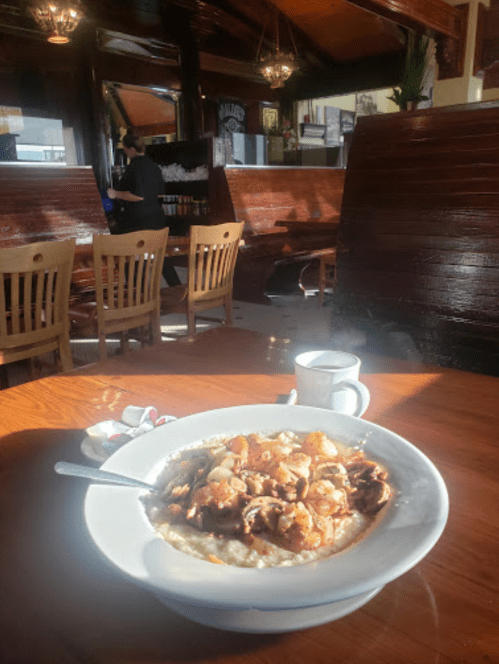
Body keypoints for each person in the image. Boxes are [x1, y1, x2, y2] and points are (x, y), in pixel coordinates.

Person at [107, 129, 181, 287]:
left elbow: (138, 196)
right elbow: (161, 195)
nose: (125, 152)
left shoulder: (134, 168)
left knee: (131, 258)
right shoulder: (154, 167)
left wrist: (115, 194)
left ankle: (137, 293)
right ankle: (177, 288)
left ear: (132, 150)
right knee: (162, 256)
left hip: (137, 220)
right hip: (156, 218)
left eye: (126, 149)